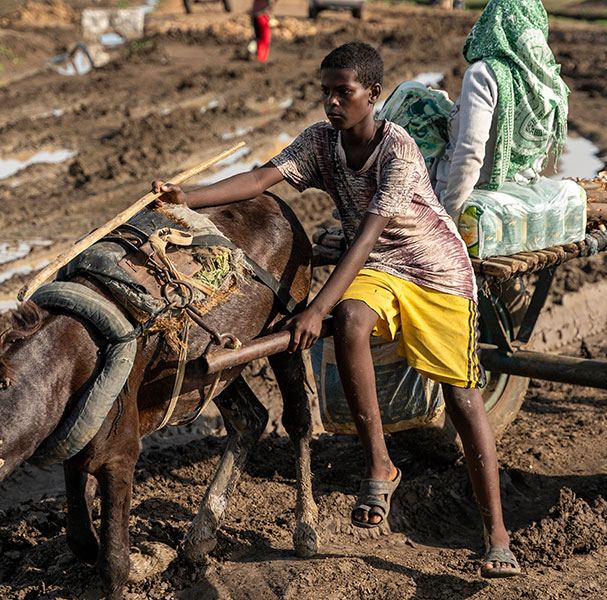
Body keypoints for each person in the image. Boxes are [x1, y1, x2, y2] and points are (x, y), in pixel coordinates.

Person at [151, 41, 521, 578]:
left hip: (435, 269)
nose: (331, 103)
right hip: (378, 268)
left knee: (462, 398)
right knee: (349, 321)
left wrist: (313, 308)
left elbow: (368, 235)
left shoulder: (398, 151)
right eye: (325, 91)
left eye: (343, 93)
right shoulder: (321, 143)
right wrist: (188, 197)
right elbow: (258, 180)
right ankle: (380, 466)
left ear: (372, 95)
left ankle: (497, 535)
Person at [432, 0, 569, 220]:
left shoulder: (484, 73)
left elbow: (470, 153)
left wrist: (449, 218)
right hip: (520, 206)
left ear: (492, 23)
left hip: (473, 208)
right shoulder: (549, 80)